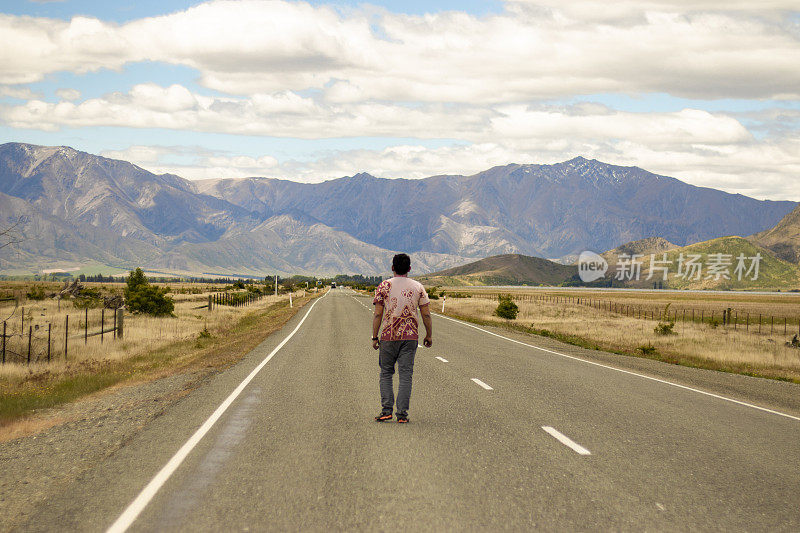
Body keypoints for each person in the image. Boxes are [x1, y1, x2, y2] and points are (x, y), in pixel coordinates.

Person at [372, 253, 432, 423]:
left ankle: (386, 410)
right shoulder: (418, 287)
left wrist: (374, 337)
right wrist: (429, 334)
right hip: (410, 337)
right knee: (406, 375)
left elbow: (378, 314)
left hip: (388, 336)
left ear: (392, 268)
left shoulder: (384, 286)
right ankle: (402, 414)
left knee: (386, 373)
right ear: (409, 269)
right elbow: (426, 314)